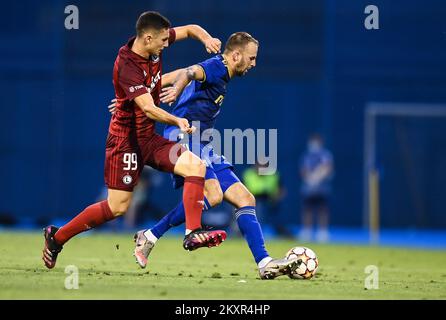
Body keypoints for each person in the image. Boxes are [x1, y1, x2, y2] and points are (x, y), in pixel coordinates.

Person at [42, 11, 227, 269]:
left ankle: (192, 232)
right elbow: (149, 109)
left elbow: (190, 28)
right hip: (125, 142)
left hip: (147, 139)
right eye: (163, 41)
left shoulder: (153, 43)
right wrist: (177, 121)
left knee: (195, 166)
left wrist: (206, 38)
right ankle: (57, 236)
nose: (166, 45)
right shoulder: (126, 65)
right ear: (148, 37)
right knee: (117, 207)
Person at [124, 32, 301, 279]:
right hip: (183, 135)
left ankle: (264, 262)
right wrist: (175, 91)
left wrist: (140, 92)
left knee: (245, 198)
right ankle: (158, 234)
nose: (254, 64)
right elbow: (188, 73)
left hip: (201, 142)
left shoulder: (219, 71)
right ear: (236, 55)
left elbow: (182, 71)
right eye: (251, 58)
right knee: (214, 194)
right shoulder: (218, 67)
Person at [299, 133, 334, 243]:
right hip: (308, 187)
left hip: (322, 187)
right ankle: (307, 231)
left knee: (322, 209)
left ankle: (322, 232)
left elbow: (328, 167)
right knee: (307, 209)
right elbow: (303, 170)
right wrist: (309, 179)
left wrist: (317, 177)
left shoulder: (325, 154)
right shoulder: (306, 156)